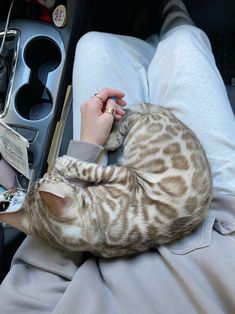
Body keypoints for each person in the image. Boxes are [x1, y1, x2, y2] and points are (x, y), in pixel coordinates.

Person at [0, 0, 235, 313]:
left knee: (95, 45)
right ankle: (169, 13)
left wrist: (86, 148)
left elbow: (46, 258)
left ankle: (150, 39)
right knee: (184, 44)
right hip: (217, 221)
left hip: (108, 214)